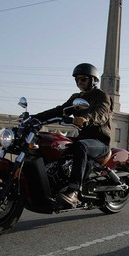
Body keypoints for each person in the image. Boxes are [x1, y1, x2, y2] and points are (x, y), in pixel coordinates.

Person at [32, 63, 113, 207]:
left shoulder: (102, 96)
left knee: (81, 145)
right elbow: (59, 110)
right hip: (83, 138)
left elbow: (101, 114)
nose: (79, 83)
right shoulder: (76, 98)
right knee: (52, 142)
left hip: (99, 142)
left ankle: (74, 190)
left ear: (93, 80)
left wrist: (87, 119)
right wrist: (34, 117)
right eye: (77, 80)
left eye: (83, 79)